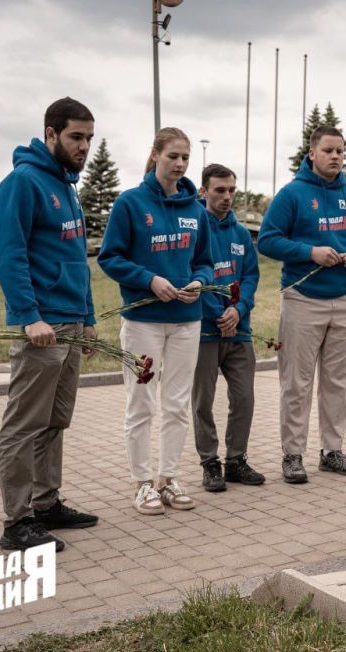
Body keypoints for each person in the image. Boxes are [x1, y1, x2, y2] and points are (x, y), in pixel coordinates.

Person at [0, 97, 99, 551]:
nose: (84, 147)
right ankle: (17, 523)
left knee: (55, 422)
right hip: (42, 326)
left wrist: (89, 318)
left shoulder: (66, 186)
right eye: (76, 137)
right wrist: (30, 316)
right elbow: (8, 255)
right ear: (51, 134)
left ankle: (46, 503)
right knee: (25, 424)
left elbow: (76, 259)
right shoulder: (23, 182)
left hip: (70, 323)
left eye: (90, 139)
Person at [99, 127, 213, 516]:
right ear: (154, 156)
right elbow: (110, 257)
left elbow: (206, 262)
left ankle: (168, 477)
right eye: (173, 157)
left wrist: (200, 281)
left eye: (185, 158)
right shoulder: (130, 204)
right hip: (144, 321)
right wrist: (149, 280)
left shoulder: (196, 210)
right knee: (142, 403)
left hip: (187, 320)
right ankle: (143, 483)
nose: (179, 164)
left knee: (178, 404)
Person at [257, 126, 346, 484]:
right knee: (297, 382)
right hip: (303, 299)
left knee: (340, 380)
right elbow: (267, 240)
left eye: (340, 151)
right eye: (328, 150)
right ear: (312, 153)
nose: (336, 156)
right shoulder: (292, 194)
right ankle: (293, 455)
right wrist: (309, 252)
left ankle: (332, 451)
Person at [192, 163, 264, 492]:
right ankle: (210, 463)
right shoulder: (193, 227)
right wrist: (217, 314)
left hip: (239, 329)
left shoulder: (240, 233)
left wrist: (239, 309)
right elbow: (193, 276)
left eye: (232, 190)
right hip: (206, 330)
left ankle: (236, 460)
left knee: (244, 398)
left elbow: (250, 276)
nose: (227, 196)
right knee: (202, 401)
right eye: (220, 190)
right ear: (204, 191)